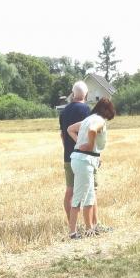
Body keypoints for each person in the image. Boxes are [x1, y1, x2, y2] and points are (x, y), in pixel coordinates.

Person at [66, 98, 116, 239]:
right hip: (84, 160)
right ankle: (74, 232)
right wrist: (88, 146)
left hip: (80, 158)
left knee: (89, 196)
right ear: (106, 111)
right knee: (81, 197)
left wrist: (81, 144)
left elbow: (70, 129)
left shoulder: (87, 119)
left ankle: (88, 229)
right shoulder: (99, 121)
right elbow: (93, 130)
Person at [59, 81, 90, 223]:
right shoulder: (86, 110)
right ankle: (91, 224)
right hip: (83, 157)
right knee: (90, 190)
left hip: (68, 156)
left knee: (70, 190)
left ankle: (72, 223)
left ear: (72, 93)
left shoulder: (64, 112)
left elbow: (62, 135)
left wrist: (67, 149)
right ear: (86, 94)